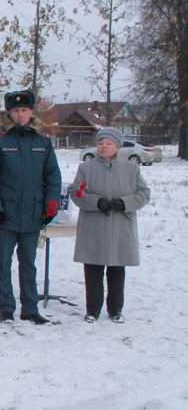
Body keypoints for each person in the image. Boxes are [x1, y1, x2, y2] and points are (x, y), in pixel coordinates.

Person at [0, 89, 61, 325]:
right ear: (10, 114)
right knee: (3, 263)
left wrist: (51, 207)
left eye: (24, 110)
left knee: (29, 264)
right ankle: (6, 308)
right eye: (15, 111)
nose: (19, 115)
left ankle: (30, 309)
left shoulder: (43, 142)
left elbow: (53, 177)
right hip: (6, 213)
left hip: (33, 214)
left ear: (31, 113)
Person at [69, 127, 150, 323]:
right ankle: (92, 310)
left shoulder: (132, 169)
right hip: (93, 226)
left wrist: (124, 203)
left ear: (117, 146)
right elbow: (75, 192)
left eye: (108, 143)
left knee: (116, 268)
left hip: (120, 226)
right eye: (100, 143)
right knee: (93, 268)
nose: (104, 147)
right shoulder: (86, 168)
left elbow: (144, 194)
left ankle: (115, 309)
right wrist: (96, 202)